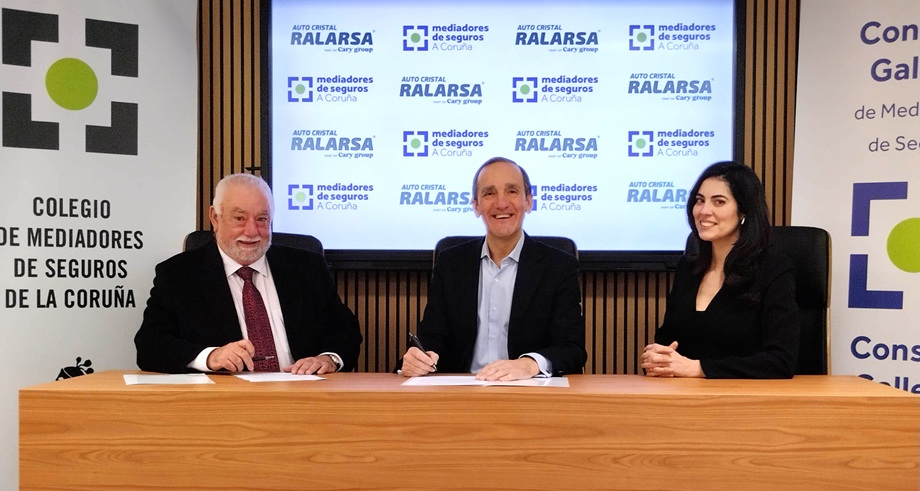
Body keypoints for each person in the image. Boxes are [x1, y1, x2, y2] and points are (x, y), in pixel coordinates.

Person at [134, 173, 362, 374]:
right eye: (239, 218)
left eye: (262, 219)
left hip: (303, 395)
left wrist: (328, 359)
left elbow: (345, 330)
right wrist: (210, 357)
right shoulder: (178, 275)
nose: (252, 231)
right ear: (215, 218)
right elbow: (150, 345)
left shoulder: (307, 267)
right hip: (223, 400)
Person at [401, 157, 586, 380]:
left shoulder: (559, 266)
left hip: (529, 390)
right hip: (462, 390)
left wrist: (529, 364)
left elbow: (571, 349)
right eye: (489, 193)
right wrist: (418, 359)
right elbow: (432, 339)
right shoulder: (451, 264)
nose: (501, 203)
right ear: (476, 205)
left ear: (529, 201)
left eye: (512, 191)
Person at [641, 161, 799, 379]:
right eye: (700, 200)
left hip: (747, 397)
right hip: (684, 395)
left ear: (743, 211)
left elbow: (781, 361)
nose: (704, 211)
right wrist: (657, 358)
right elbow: (667, 342)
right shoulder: (688, 269)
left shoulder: (773, 269)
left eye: (719, 202)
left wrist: (698, 369)